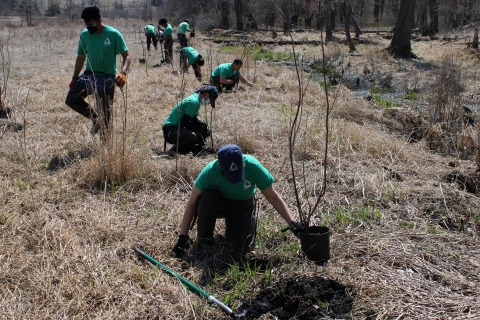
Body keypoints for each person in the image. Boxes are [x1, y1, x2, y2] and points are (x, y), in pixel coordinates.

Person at [172, 144, 304, 259]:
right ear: (221, 166)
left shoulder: (253, 166)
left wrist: (292, 223)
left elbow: (273, 197)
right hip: (220, 203)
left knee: (239, 248)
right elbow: (192, 203)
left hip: (242, 205)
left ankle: (235, 231)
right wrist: (183, 237)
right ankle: (204, 243)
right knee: (207, 198)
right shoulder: (211, 171)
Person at [65, 6, 130, 138]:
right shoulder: (84, 35)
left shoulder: (114, 34)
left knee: (106, 114)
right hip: (89, 75)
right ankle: (96, 117)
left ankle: (106, 149)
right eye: (86, 24)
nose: (88, 27)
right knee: (71, 99)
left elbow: (127, 56)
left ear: (99, 20)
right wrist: (75, 77)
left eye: (91, 23)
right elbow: (81, 57)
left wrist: (123, 72)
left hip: (107, 78)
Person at [162, 86, 218, 156]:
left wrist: (201, 126)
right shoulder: (193, 102)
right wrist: (197, 133)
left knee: (198, 133)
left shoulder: (196, 100)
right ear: (206, 94)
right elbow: (186, 122)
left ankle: (186, 150)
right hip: (170, 131)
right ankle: (173, 151)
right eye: (210, 100)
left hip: (176, 129)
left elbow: (193, 119)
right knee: (192, 136)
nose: (209, 103)